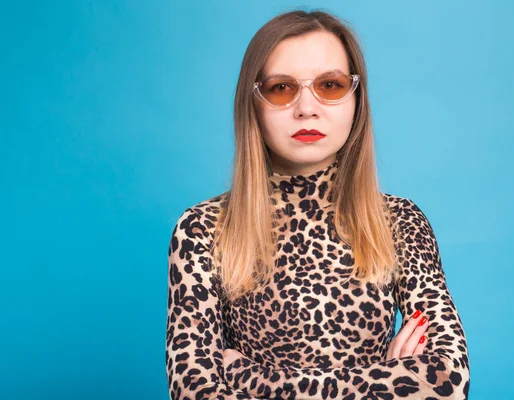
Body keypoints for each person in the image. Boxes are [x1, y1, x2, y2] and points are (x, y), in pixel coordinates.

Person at [165, 9, 470, 400]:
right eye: (281, 88)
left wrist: (249, 378)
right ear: (252, 103)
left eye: (329, 85)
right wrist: (388, 379)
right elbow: (194, 393)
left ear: (356, 99)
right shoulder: (202, 230)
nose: (307, 107)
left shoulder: (399, 222)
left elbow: (446, 382)